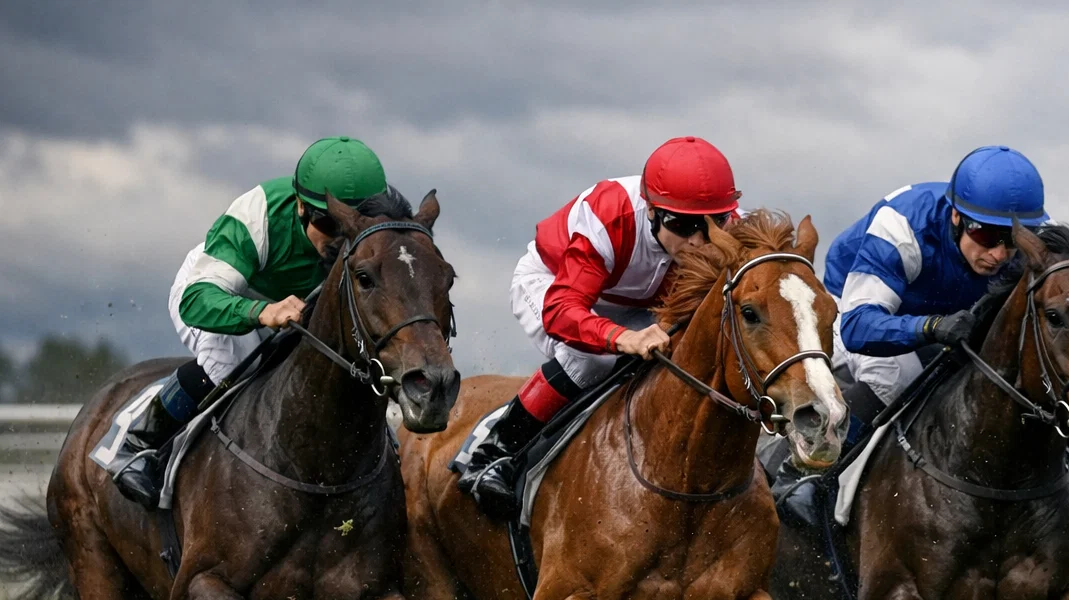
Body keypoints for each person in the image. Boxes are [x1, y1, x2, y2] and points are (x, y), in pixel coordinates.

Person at [459, 136, 740, 518]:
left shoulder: (727, 229)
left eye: (711, 225)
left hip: (641, 304)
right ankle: (494, 450)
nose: (697, 241)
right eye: (682, 224)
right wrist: (622, 337)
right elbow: (563, 311)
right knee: (590, 360)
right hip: (555, 285)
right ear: (653, 211)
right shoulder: (611, 214)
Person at [114, 136, 392, 507]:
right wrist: (260, 312)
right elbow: (195, 300)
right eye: (329, 224)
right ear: (300, 207)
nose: (341, 241)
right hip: (224, 293)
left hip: (301, 310)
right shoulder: (256, 215)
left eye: (353, 227)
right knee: (231, 362)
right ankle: (139, 442)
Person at [823, 145, 1049, 422]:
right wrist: (932, 326)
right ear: (956, 216)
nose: (1000, 255)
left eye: (1013, 238)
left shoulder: (1025, 248)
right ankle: (800, 460)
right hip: (851, 305)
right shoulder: (902, 227)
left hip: (940, 313)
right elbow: (857, 328)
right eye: (988, 236)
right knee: (894, 378)